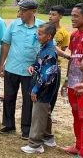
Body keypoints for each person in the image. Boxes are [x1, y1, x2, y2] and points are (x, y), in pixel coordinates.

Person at [0, 0, 45, 139]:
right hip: (12, 68)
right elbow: (5, 44)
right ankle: (8, 124)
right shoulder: (14, 25)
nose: (20, 14)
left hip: (30, 72)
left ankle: (26, 129)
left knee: (28, 100)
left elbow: (47, 48)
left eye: (23, 11)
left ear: (33, 11)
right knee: (9, 97)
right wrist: (1, 64)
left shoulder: (42, 26)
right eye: (20, 10)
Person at [20, 23, 58, 154]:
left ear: (48, 36)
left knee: (38, 115)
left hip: (43, 89)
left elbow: (47, 75)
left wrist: (35, 90)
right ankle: (48, 137)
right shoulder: (44, 48)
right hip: (43, 88)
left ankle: (35, 144)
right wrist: (33, 66)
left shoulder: (50, 52)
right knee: (44, 113)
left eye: (40, 34)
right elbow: (40, 65)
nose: (37, 36)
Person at [61, 3, 83, 158]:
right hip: (72, 83)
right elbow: (72, 60)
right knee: (75, 115)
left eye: (76, 16)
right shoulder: (74, 35)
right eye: (71, 15)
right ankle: (78, 146)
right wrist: (66, 80)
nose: (72, 18)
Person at [48, 5, 71, 117]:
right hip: (42, 65)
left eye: (53, 14)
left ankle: (48, 115)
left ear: (60, 16)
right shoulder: (44, 28)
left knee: (53, 92)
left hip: (55, 66)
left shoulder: (64, 33)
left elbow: (62, 51)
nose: (50, 17)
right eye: (50, 14)